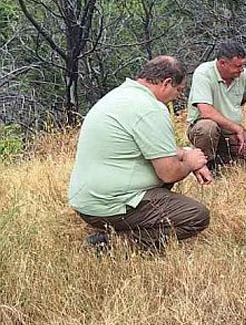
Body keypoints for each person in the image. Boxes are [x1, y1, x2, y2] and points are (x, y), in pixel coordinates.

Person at [69, 56, 211, 251]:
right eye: (178, 90)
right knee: (196, 216)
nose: (177, 97)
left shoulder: (121, 96)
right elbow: (169, 172)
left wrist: (186, 153)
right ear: (166, 83)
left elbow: (157, 148)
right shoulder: (150, 109)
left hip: (87, 201)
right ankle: (114, 244)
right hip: (109, 206)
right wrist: (191, 163)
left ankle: (126, 227)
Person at [187, 40, 246, 172]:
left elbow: (244, 99)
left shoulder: (244, 76)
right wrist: (236, 127)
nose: (241, 70)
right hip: (205, 127)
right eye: (237, 66)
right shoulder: (203, 73)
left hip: (230, 131)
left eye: (243, 65)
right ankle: (206, 167)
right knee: (207, 127)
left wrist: (234, 126)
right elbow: (205, 111)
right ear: (222, 63)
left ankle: (225, 158)